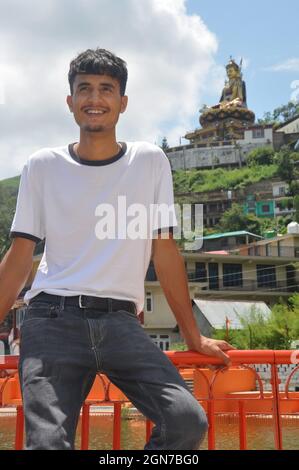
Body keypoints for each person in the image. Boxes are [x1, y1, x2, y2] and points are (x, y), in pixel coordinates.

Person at [0, 48, 235, 450]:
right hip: (52, 317)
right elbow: (20, 255)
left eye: (106, 89)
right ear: (70, 101)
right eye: (85, 89)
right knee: (47, 443)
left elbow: (165, 253)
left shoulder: (149, 161)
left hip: (121, 323)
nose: (95, 99)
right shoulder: (42, 166)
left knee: (186, 422)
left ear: (122, 102)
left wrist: (193, 336)